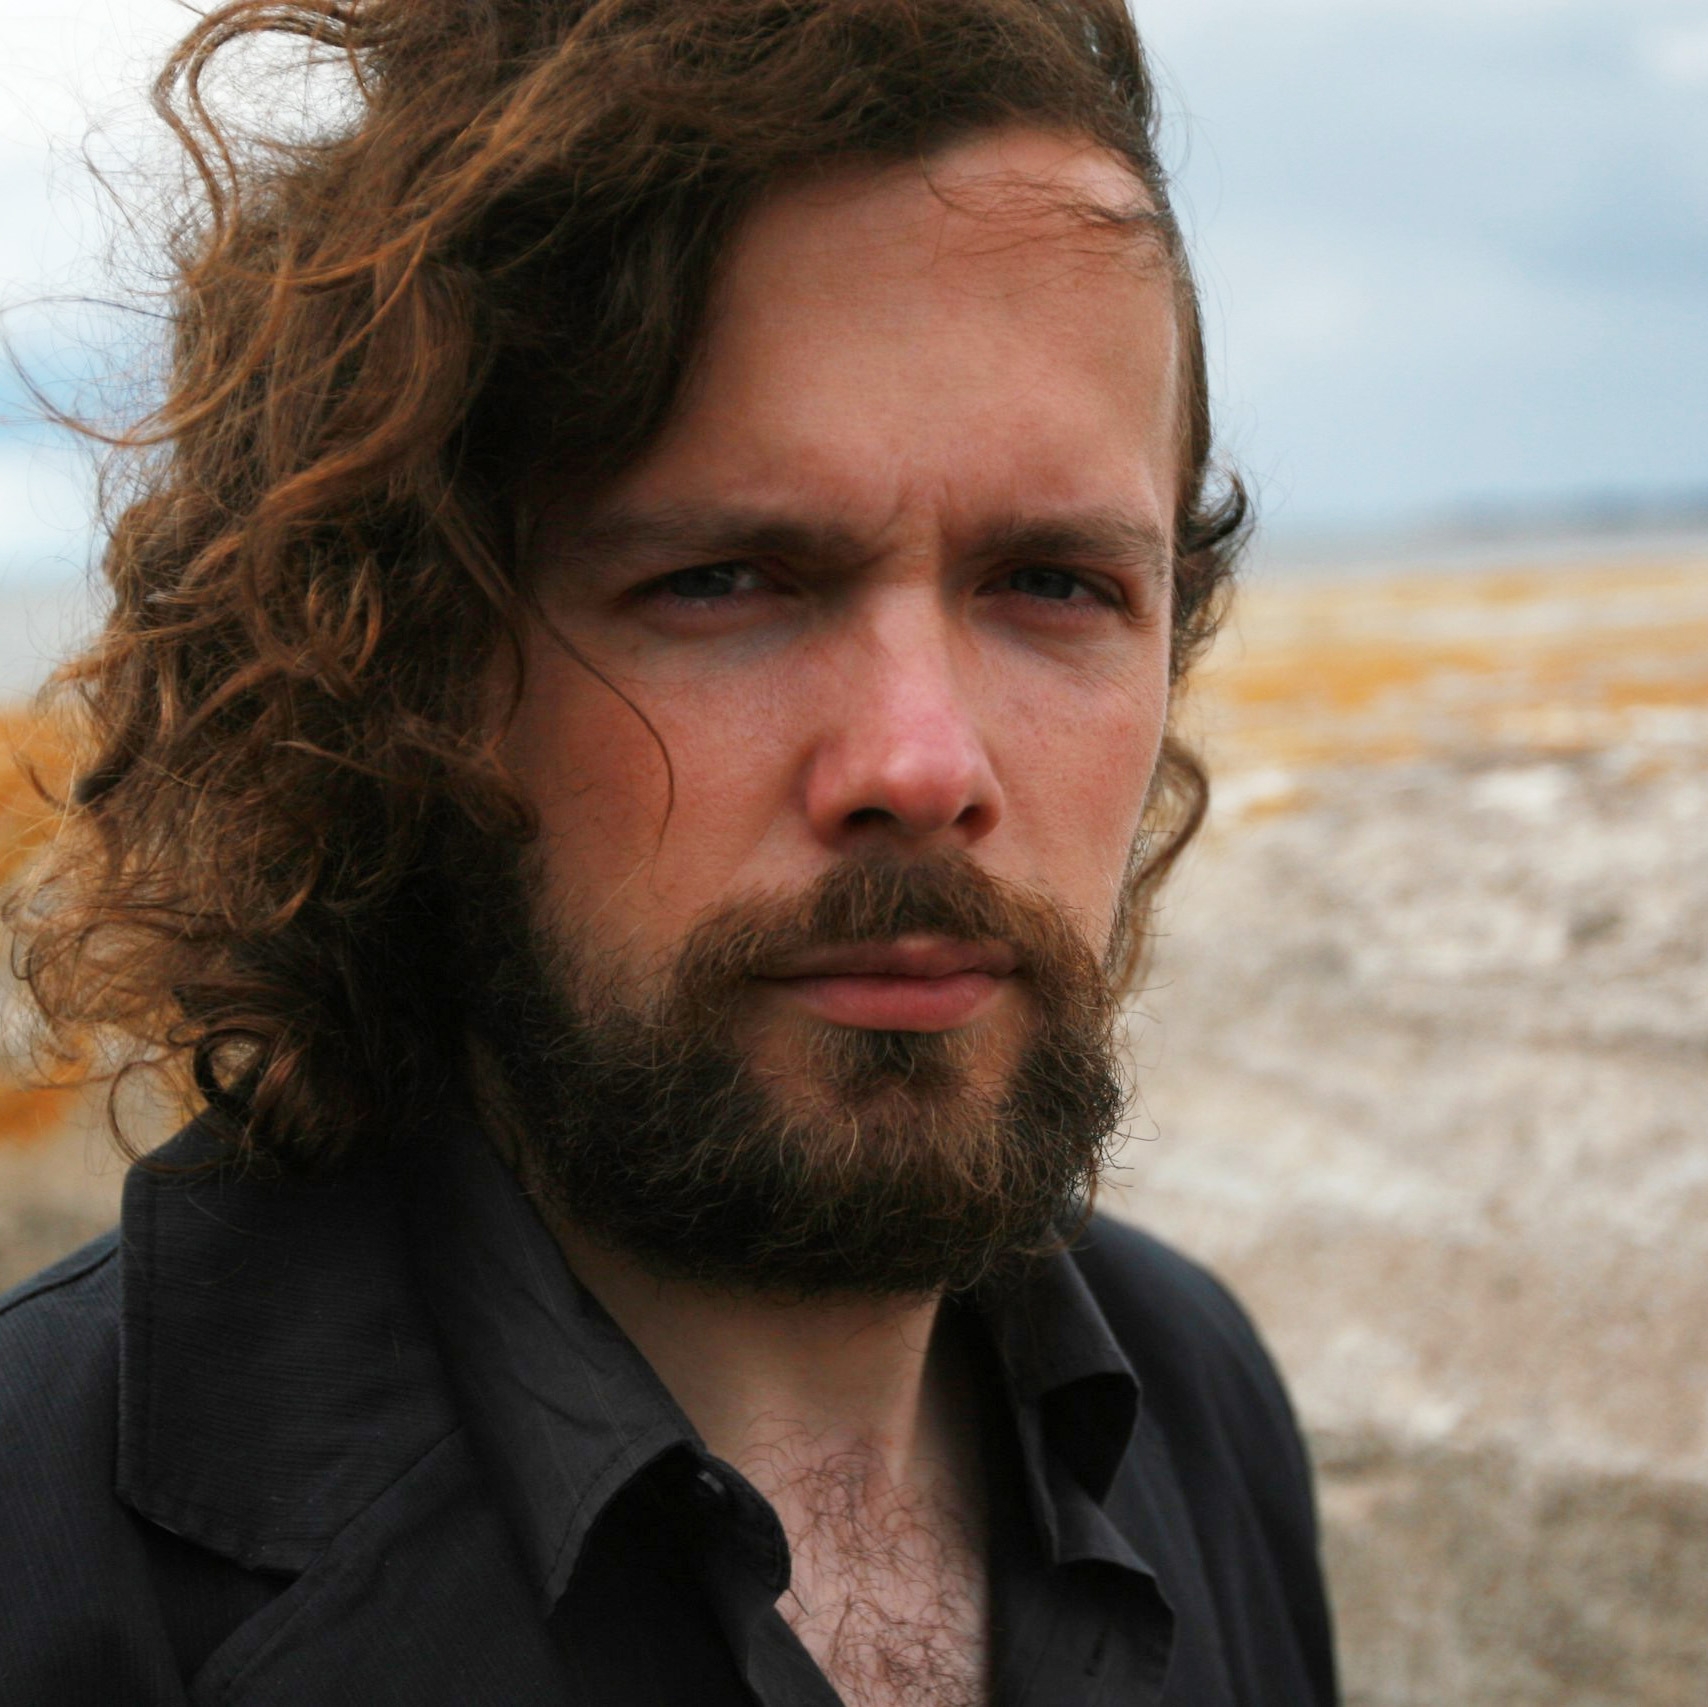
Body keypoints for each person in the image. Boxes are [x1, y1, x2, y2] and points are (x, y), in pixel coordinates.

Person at [0, 0, 1338, 1701]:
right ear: (402, 663)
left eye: (1054, 585)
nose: (923, 765)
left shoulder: (1196, 1402)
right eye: (723, 582)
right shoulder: (45, 1556)